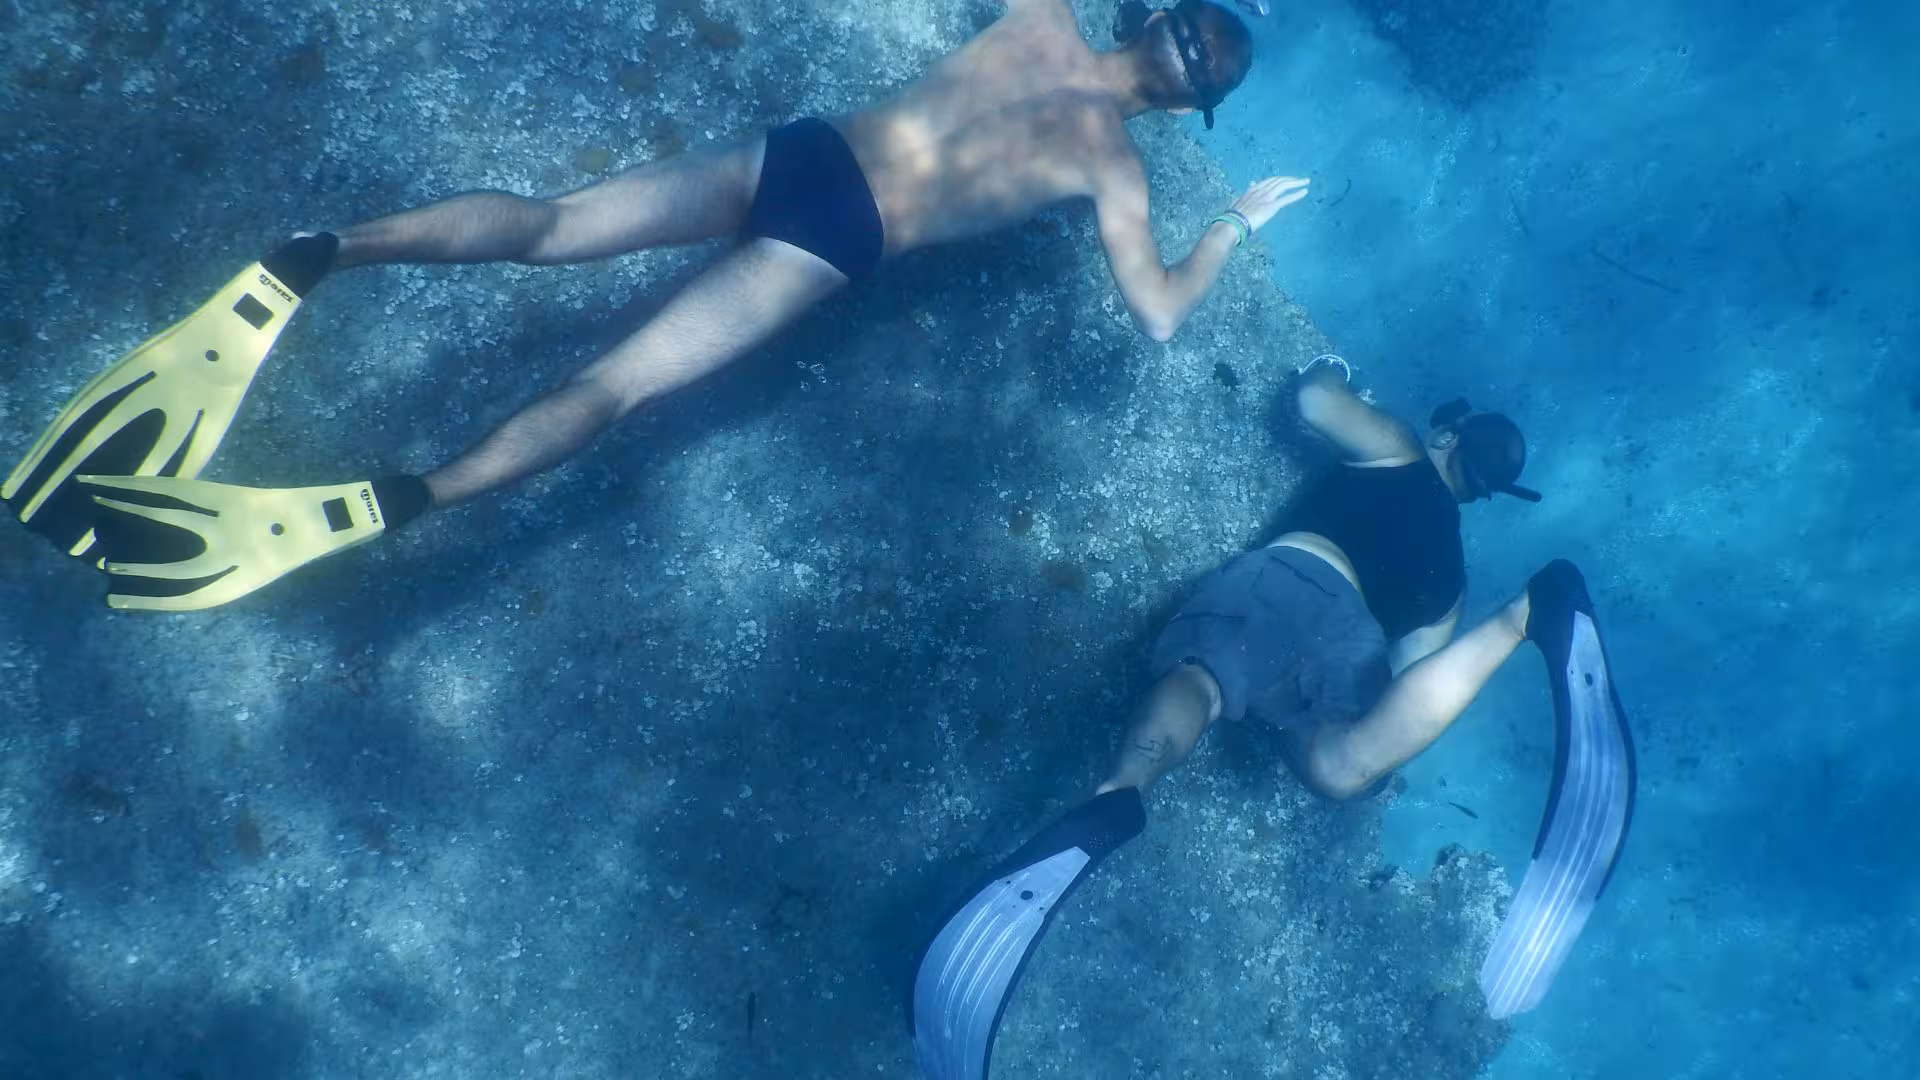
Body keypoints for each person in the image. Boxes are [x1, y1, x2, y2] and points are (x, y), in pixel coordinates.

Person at [5, 0, 1307, 611]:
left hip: (800, 153)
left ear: (1154, 21)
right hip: (839, 237)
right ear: (1192, 103)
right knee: (617, 387)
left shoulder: (1037, 19)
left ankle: (315, 255)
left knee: (552, 224)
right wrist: (1231, 229)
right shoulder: (1115, 171)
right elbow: (1158, 316)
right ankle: (400, 499)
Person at [910, 358, 1637, 1078]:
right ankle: (1526, 616)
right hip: (1354, 641)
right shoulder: (1450, 583)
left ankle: (1122, 788)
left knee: (1199, 680)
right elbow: (1408, 682)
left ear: (1450, 437)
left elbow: (1312, 401)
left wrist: (1329, 372)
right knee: (1341, 765)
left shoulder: (1400, 451)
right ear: (1483, 493)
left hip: (1288, 578)